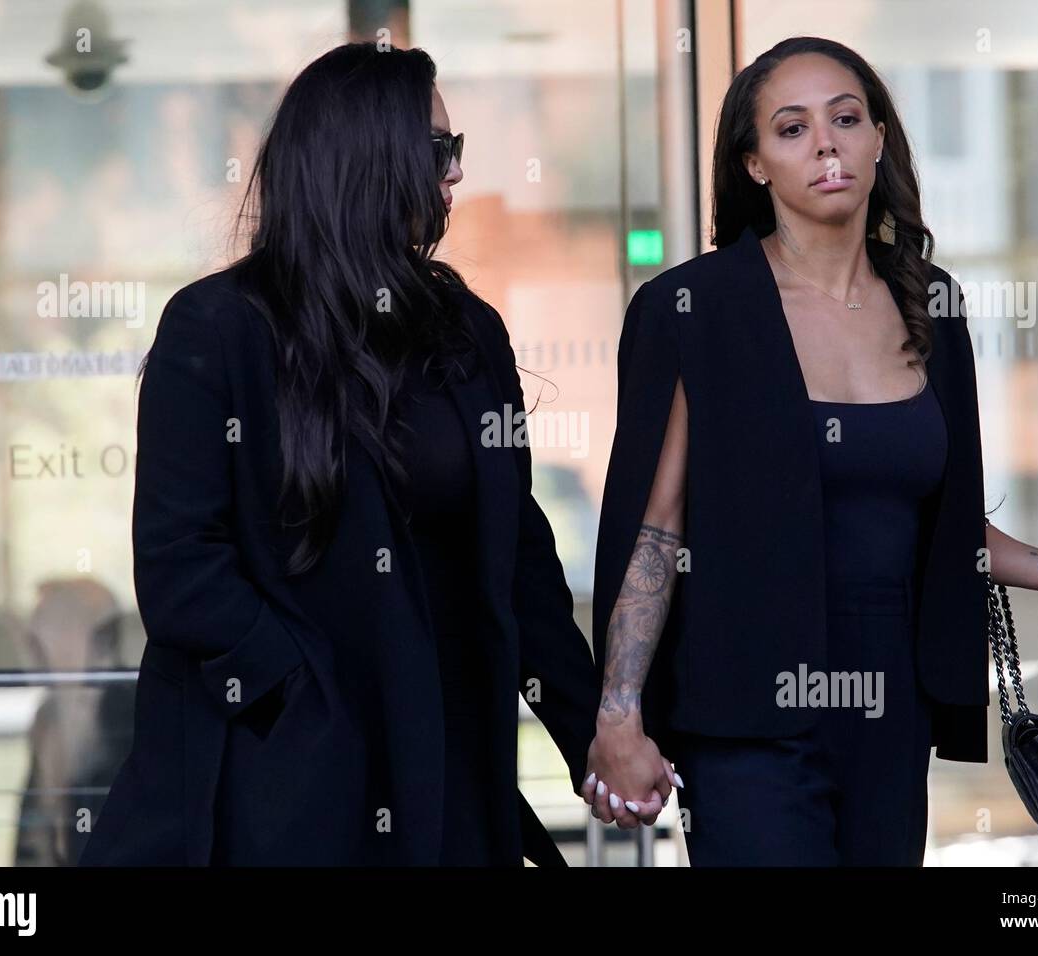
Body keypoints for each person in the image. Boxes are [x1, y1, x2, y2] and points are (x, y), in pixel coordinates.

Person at [78, 41, 668, 868]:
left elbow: (518, 557)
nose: (456, 173)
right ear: (368, 157)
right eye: (438, 149)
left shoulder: (467, 331)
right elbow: (180, 566)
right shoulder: (218, 328)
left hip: (448, 766)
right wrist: (302, 694)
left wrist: (591, 734)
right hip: (280, 777)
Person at [582, 35, 1038, 865]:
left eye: (846, 118)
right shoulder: (694, 307)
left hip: (891, 708)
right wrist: (618, 715)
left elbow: (949, 527)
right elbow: (656, 533)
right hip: (748, 712)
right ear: (755, 165)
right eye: (792, 129)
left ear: (879, 137)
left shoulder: (931, 302)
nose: (826, 143)